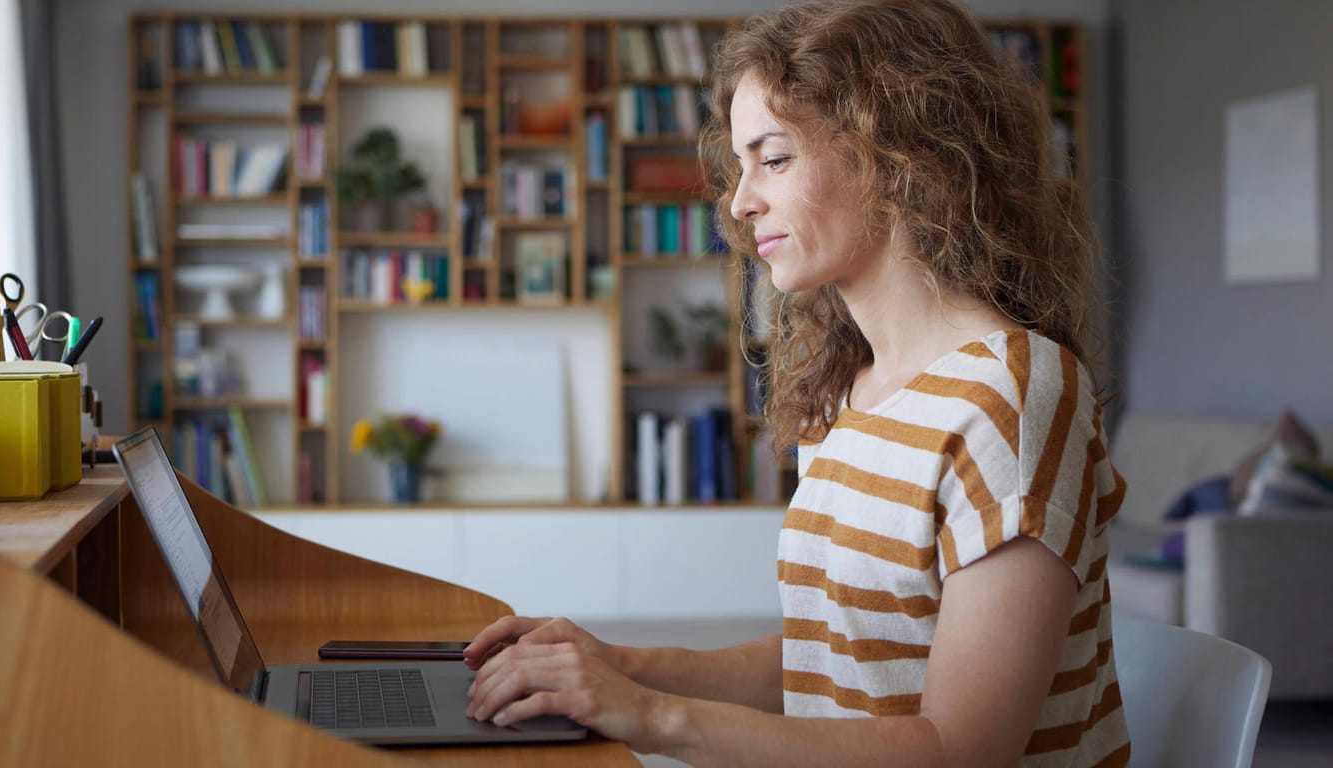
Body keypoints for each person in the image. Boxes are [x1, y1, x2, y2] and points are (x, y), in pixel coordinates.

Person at [463, 1, 1131, 764]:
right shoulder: (848, 391)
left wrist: (653, 716)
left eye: (773, 159)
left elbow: (961, 750)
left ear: (899, 153)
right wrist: (615, 665)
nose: (741, 203)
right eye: (741, 167)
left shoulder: (1013, 395)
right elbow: (830, 662)